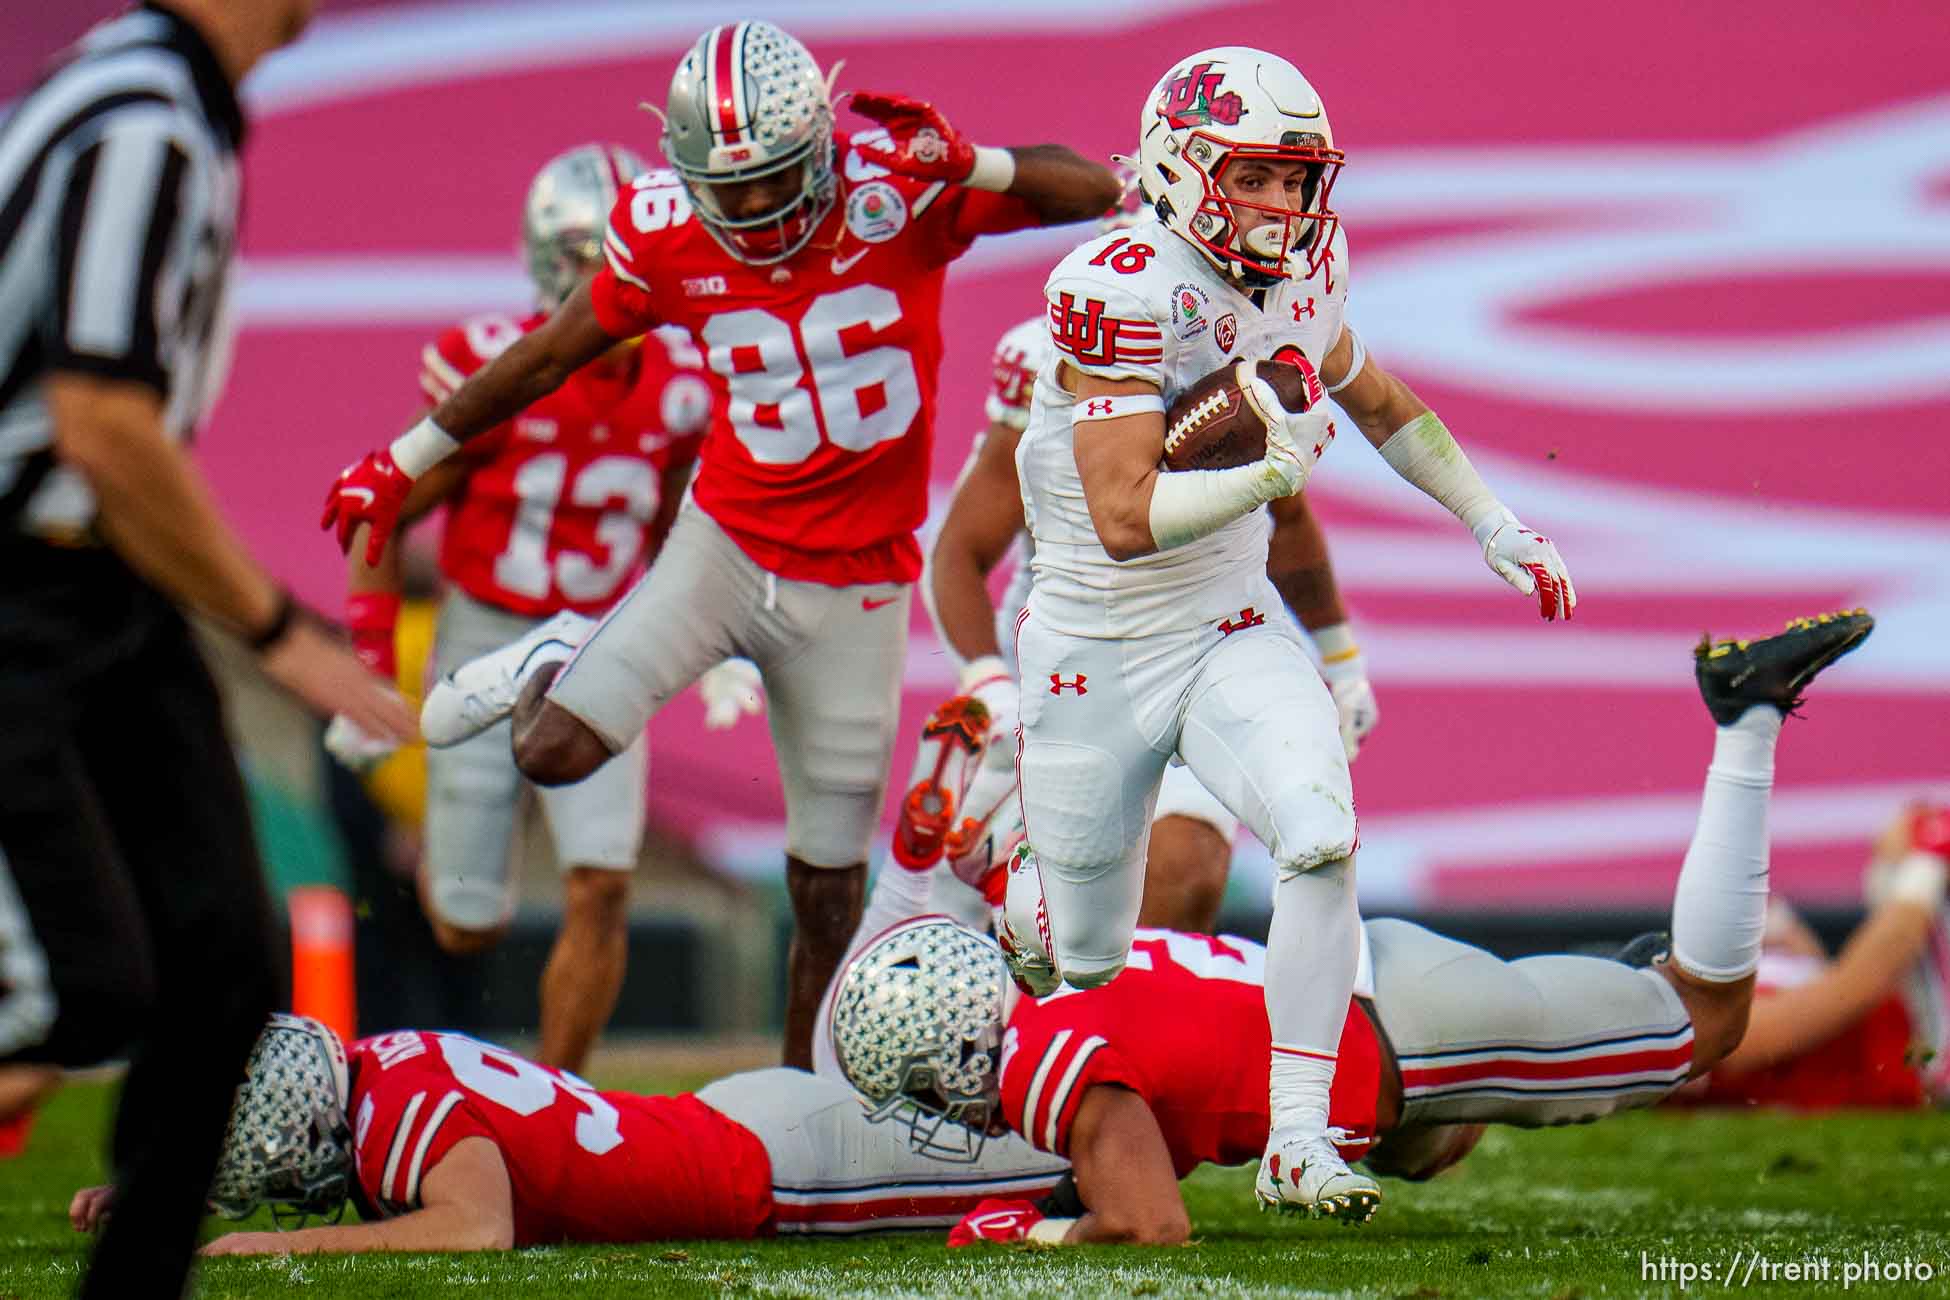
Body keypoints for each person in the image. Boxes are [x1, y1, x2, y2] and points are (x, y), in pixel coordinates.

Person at [320, 21, 1121, 1069]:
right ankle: (547, 652)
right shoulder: (661, 232)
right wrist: (405, 453)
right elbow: (548, 354)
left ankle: (800, 1101)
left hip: (857, 583)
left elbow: (1096, 190)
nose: (747, 208)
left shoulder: (900, 193)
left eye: (770, 180)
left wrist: (977, 164)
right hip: (727, 544)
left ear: (822, 150)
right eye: (724, 186)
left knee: (828, 888)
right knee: (549, 748)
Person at [1005, 45, 1575, 1219]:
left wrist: (1494, 521)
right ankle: (1013, 902)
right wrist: (1266, 468)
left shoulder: (1311, 263)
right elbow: (1122, 517)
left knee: (1318, 833)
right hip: (1091, 647)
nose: (1286, 206)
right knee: (1081, 959)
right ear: (1180, 163)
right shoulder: (1113, 282)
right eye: (1257, 177)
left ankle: (1299, 1140)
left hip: (1226, 619)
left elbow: (1374, 396)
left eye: (1299, 178)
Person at [829, 611, 1874, 1244]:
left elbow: (1151, 1221)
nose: (938, 1106)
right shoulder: (1060, 982)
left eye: (923, 1081)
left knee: (1710, 1021)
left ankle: (1747, 723)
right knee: (1434, 1144)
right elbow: (1156, 1105)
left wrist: (1034, 1238)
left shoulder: (1040, 1064)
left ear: (955, 1042)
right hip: (1383, 996)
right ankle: (1601, 990)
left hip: (1409, 1030)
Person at [0, 3, 413, 1296]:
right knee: (84, 990)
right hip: (26, 578)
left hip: (99, 581)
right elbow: (101, 426)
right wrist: (280, 631)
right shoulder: (145, 122)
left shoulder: (158, 100)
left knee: (222, 959)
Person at [323, 142, 715, 1073]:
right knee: (463, 923)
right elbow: (385, 505)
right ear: (557, 262)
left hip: (596, 643)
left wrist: (712, 639)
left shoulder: (685, 388)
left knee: (603, 885)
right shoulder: (498, 368)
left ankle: (561, 1102)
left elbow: (675, 532)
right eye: (598, 257)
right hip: (484, 637)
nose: (620, 279)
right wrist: (372, 656)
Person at [926, 309, 1377, 933]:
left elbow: (1288, 522)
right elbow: (959, 553)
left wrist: (1342, 658)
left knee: (1184, 872)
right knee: (1047, 921)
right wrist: (987, 684)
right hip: (1074, 669)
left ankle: (1123, 1027)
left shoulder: (1239, 345)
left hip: (1204, 648)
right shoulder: (1053, 360)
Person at [66, 1013, 1069, 1253]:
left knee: (1067, 1156)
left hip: (776, 1168)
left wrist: (275, 1240)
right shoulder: (382, 1063)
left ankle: (1221, 1114)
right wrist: (168, 1194)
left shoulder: (393, 1111)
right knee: (1040, 1118)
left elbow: (473, 1225)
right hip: (736, 1127)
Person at [1661, 802, 1950, 1110]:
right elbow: (1857, 985)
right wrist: (1927, 861)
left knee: (1903, 838)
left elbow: (1828, 988)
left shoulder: (1704, 985)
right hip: (1921, 1046)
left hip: (1899, 1008)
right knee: (1907, 861)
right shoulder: (1699, 1032)